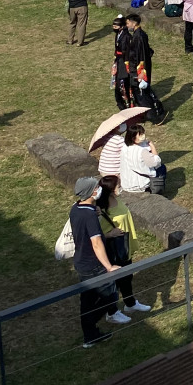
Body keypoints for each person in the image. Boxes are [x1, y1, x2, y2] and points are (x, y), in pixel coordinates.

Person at [69, 176, 121, 347]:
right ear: (92, 192)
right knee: (110, 295)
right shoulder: (89, 215)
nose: (99, 189)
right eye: (96, 187)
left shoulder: (76, 209)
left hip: (81, 263)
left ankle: (90, 335)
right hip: (94, 265)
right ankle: (92, 326)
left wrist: (95, 212)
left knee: (87, 300)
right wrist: (108, 266)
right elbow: (96, 243)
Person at [97, 175, 151, 317]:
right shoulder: (101, 210)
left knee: (127, 277)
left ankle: (130, 303)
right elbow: (97, 235)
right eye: (118, 186)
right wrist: (111, 234)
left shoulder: (117, 199)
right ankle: (112, 311)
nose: (120, 187)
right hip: (114, 249)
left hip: (124, 245)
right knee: (115, 281)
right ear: (110, 190)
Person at [119, 124, 165, 194]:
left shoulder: (124, 147)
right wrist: (152, 147)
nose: (143, 136)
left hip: (126, 183)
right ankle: (157, 191)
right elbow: (155, 163)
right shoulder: (142, 151)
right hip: (139, 185)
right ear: (133, 138)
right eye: (140, 135)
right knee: (161, 168)